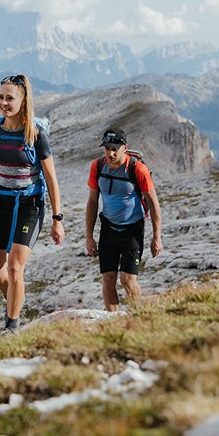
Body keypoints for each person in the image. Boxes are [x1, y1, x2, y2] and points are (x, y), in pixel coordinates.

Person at [0, 73, 65, 332]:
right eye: (1, 97)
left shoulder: (36, 135)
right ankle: (16, 298)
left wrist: (57, 220)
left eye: (10, 98)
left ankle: (11, 327)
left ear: (23, 101)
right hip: (1, 203)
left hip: (29, 206)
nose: (4, 103)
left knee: (14, 269)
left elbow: (51, 178)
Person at [85, 127, 162, 311]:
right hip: (109, 230)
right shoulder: (97, 167)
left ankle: (139, 314)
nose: (110, 153)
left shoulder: (138, 169)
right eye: (107, 149)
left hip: (132, 231)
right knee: (108, 279)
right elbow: (93, 202)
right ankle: (113, 321)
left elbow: (154, 205)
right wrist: (89, 236)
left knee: (127, 280)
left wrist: (156, 237)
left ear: (124, 148)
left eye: (115, 149)